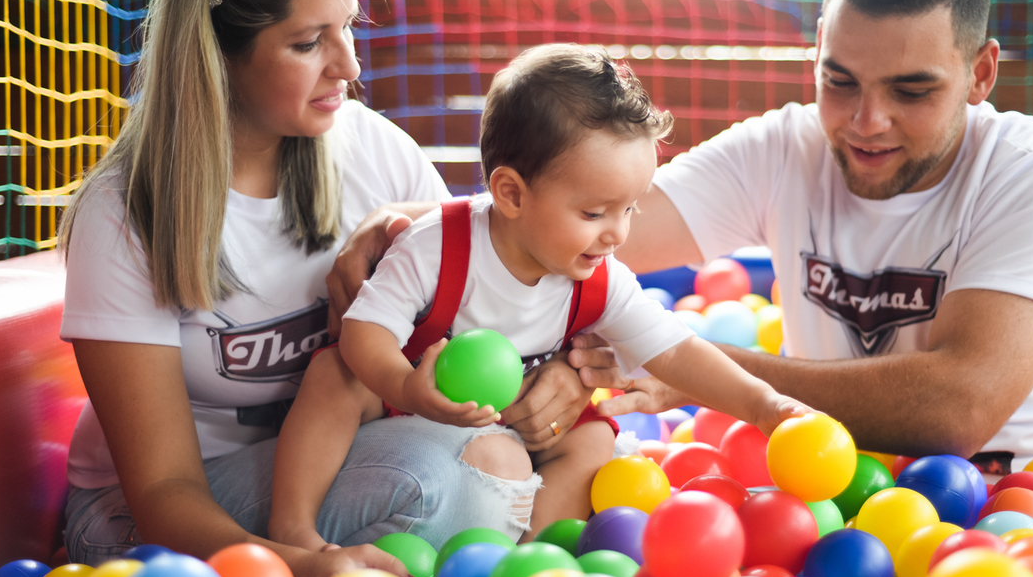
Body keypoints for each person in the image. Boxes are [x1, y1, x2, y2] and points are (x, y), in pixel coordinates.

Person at [57, 0, 557, 577]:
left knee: (489, 456)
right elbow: (166, 491)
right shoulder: (126, 213)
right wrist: (301, 565)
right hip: (145, 523)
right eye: (306, 42)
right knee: (456, 474)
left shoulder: (372, 150)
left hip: (328, 469)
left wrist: (405, 222)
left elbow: (497, 293)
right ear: (215, 52)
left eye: (348, 26)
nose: (348, 66)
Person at [594, 0, 1033, 474]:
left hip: (1028, 516)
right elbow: (582, 235)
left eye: (911, 90)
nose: (867, 122)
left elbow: (956, 409)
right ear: (819, 48)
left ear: (980, 74)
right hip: (830, 503)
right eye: (840, 82)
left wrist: (698, 369)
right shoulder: (782, 149)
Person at [269, 44, 807, 545]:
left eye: (630, 208)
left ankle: (528, 552)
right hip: (406, 401)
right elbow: (366, 329)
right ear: (511, 194)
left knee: (593, 442)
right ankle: (292, 527)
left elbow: (678, 352)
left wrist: (763, 404)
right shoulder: (437, 245)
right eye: (594, 213)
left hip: (515, 420)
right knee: (333, 373)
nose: (617, 233)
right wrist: (408, 387)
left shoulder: (599, 275)